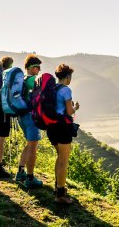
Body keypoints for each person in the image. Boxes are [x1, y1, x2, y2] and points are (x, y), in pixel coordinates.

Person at [47, 63, 79, 204]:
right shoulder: (66, 90)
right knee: (63, 160)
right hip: (62, 126)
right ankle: (61, 194)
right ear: (67, 77)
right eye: (70, 76)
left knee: (60, 158)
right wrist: (75, 107)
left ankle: (57, 187)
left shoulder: (51, 88)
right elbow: (69, 111)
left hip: (51, 126)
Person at [14, 54, 44, 188]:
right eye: (38, 67)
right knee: (33, 146)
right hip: (31, 116)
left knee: (29, 144)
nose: (39, 70)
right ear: (32, 68)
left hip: (21, 115)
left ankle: (20, 172)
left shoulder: (22, 80)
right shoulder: (32, 80)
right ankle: (30, 178)